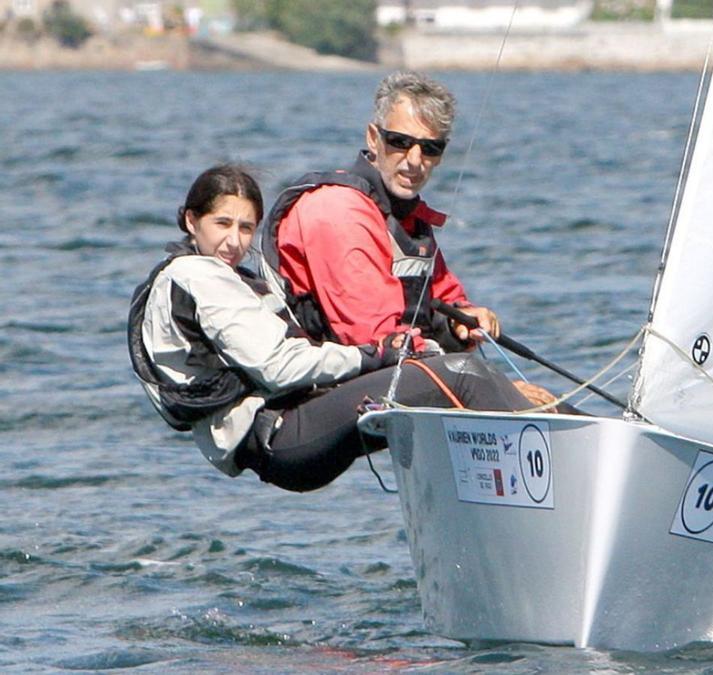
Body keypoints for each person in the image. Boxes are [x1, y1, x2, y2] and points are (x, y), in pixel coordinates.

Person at [129, 165, 533, 492]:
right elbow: (279, 368)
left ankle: (523, 462)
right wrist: (374, 355)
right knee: (459, 376)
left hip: (294, 426)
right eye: (222, 224)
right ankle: (570, 455)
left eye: (246, 227)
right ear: (190, 220)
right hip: (283, 438)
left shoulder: (223, 278)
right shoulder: (197, 277)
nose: (234, 241)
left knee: (444, 384)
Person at [256, 71, 555, 407]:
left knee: (539, 401)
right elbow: (377, 339)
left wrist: (464, 321)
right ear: (373, 138)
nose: (415, 161)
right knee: (472, 379)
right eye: (400, 142)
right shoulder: (338, 210)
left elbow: (443, 298)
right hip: (296, 406)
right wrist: (499, 389)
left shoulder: (406, 218)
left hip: (376, 383)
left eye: (430, 148)